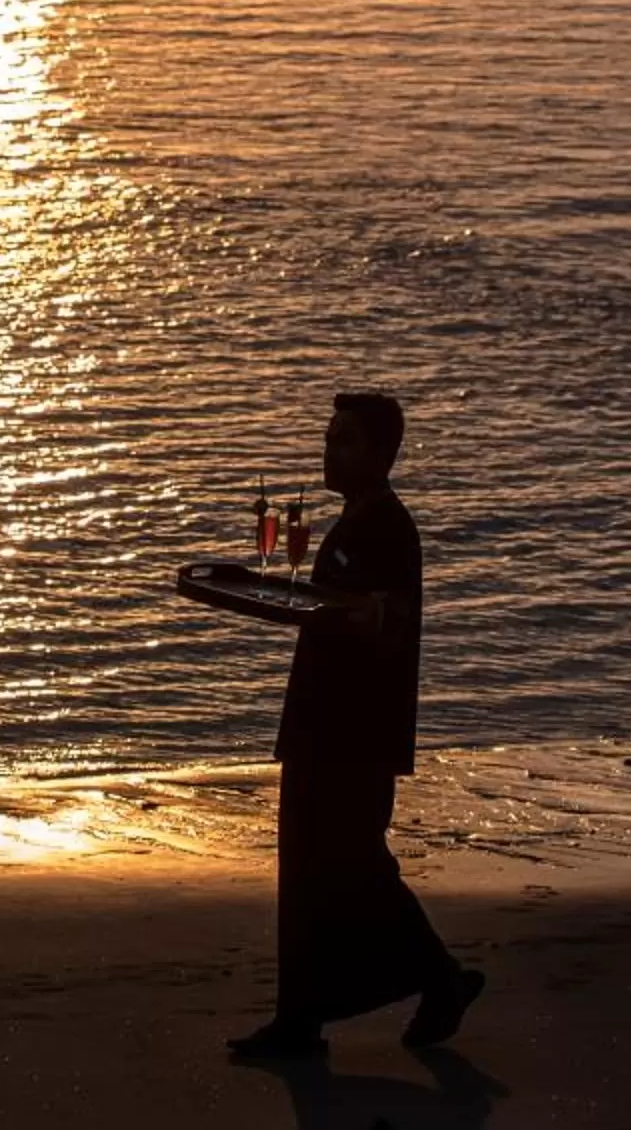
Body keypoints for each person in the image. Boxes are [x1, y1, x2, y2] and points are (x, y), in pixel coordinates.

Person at [226, 391, 485, 1060]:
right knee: (312, 869)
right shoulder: (353, 521)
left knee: (354, 867)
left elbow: (383, 620)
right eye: (328, 438)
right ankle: (304, 1017)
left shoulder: (388, 528)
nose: (329, 451)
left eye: (343, 442)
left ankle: (435, 979)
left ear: (379, 454)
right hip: (322, 724)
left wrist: (313, 606)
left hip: (355, 733)